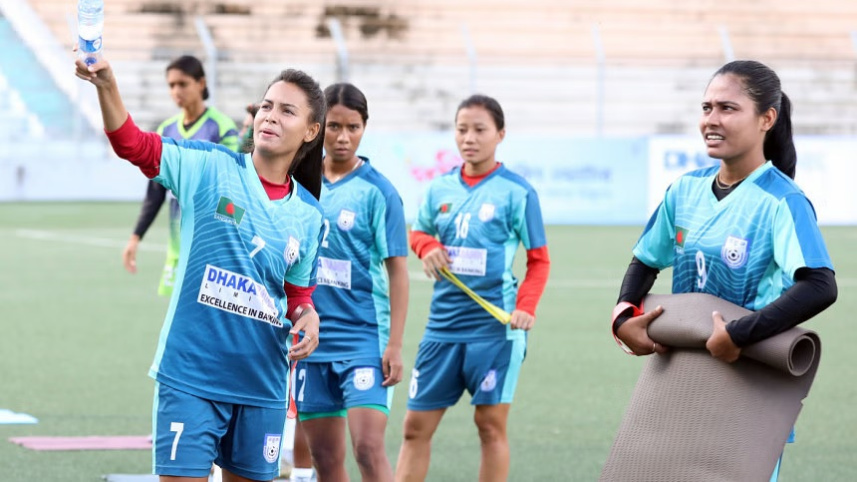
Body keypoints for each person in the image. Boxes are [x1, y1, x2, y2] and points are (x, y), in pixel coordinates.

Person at [75, 52, 327, 482]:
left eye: (287, 110)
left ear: (310, 130)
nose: (270, 115)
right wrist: (106, 87)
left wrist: (309, 317)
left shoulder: (310, 215)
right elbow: (132, 144)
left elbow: (297, 296)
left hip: (262, 383)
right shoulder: (208, 166)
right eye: (267, 105)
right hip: (191, 374)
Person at [610, 60, 838, 482]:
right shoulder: (686, 189)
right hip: (679, 373)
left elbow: (820, 285)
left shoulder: (782, 201)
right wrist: (623, 317)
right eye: (706, 107)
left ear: (766, 118)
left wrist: (739, 335)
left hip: (747, 383)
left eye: (727, 108)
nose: (711, 120)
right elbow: (645, 258)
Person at [395, 94, 551, 482]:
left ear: (500, 134)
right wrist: (426, 245)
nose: (469, 138)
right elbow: (418, 232)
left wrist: (526, 306)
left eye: (480, 129)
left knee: (489, 426)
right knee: (414, 427)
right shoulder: (439, 189)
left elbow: (539, 260)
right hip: (442, 329)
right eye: (462, 129)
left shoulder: (518, 192)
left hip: (494, 330)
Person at [294, 83, 409, 482]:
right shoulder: (301, 181)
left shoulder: (380, 192)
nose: (343, 137)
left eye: (353, 127)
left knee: (367, 448)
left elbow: (398, 271)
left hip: (364, 337)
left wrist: (394, 343)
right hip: (310, 338)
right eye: (335, 126)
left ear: (365, 127)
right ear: (319, 125)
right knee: (324, 458)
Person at [121, 55, 239, 296]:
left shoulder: (222, 127)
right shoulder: (166, 130)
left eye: (183, 84)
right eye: (171, 85)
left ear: (201, 83)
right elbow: (155, 192)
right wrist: (136, 237)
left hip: (213, 247)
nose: (176, 91)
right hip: (178, 248)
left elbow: (233, 190)